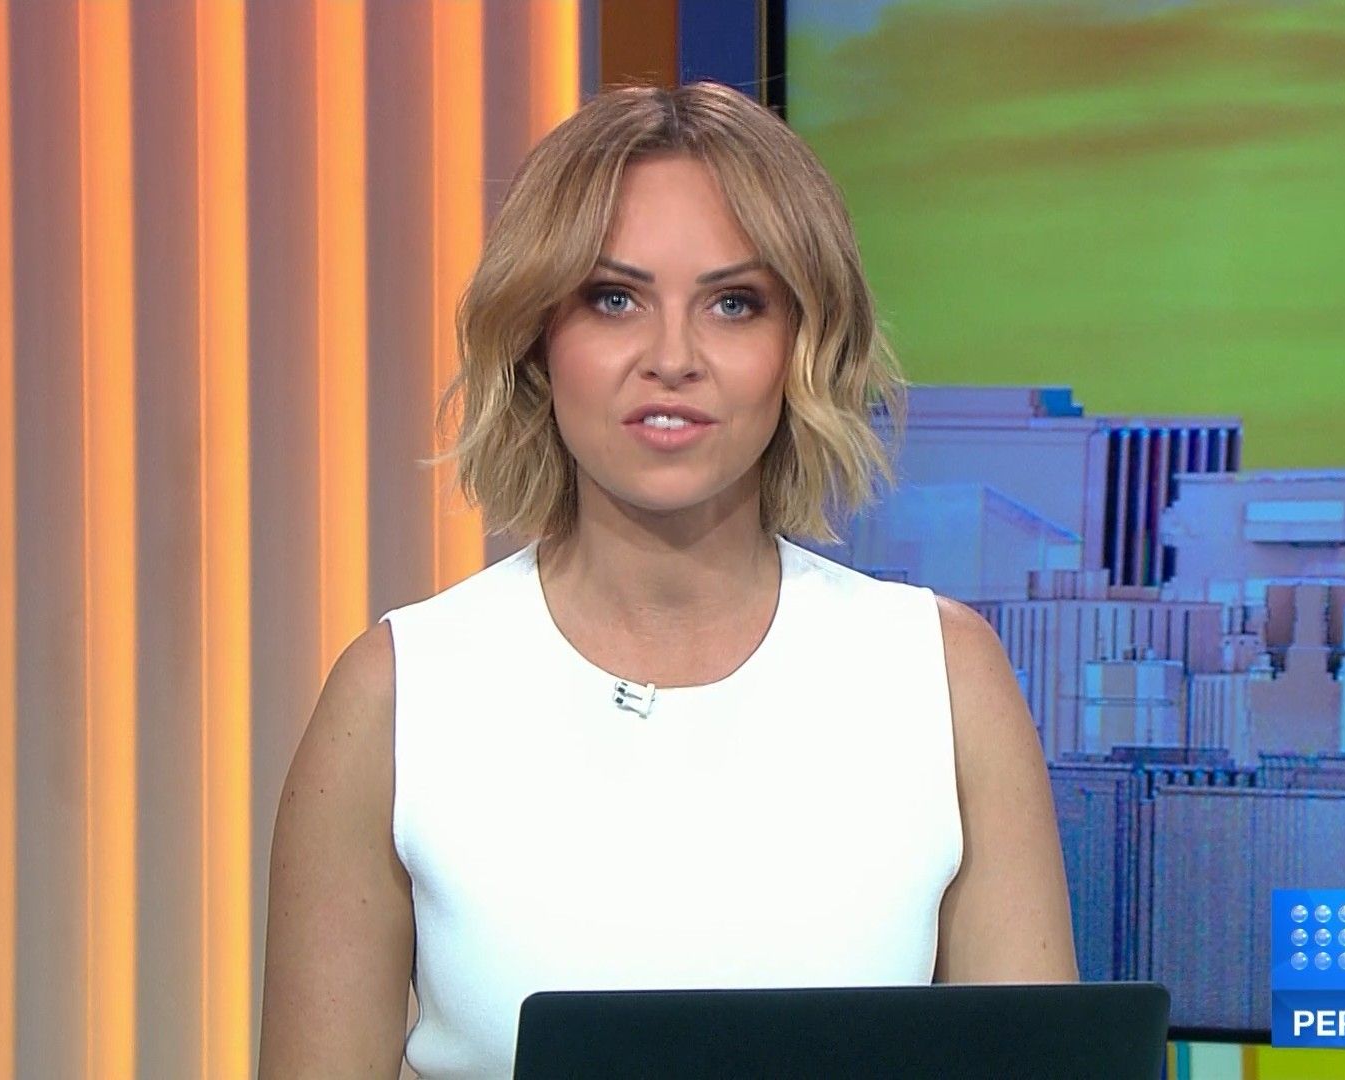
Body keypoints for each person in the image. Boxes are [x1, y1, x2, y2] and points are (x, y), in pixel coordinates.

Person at [258, 80, 1078, 1079]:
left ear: (803, 344)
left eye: (734, 304)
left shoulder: (940, 677)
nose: (673, 358)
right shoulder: (399, 693)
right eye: (615, 299)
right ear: (539, 338)